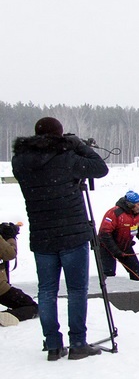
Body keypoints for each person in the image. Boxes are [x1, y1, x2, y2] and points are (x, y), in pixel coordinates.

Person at [11, 117, 109, 360]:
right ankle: (77, 343)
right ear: (59, 136)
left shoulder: (19, 162)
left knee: (46, 291)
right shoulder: (67, 159)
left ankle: (53, 345)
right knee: (76, 290)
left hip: (42, 235)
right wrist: (77, 145)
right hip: (72, 233)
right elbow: (100, 167)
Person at [98, 191, 139, 281]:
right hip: (107, 248)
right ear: (131, 205)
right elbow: (104, 234)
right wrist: (115, 251)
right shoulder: (114, 212)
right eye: (138, 204)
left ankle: (137, 291)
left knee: (136, 269)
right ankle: (107, 293)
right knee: (109, 273)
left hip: (125, 246)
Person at [0, 221, 38, 327]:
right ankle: (7, 315)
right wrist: (10, 237)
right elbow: (10, 253)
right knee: (31, 307)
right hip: (1, 289)